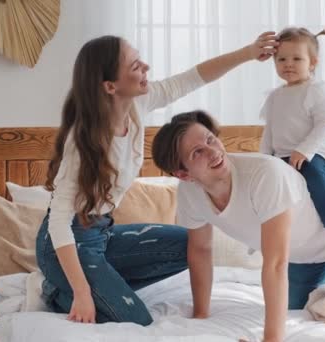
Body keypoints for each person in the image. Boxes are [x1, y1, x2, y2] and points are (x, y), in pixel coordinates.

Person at [35, 33, 279, 326]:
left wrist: (248, 52)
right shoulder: (83, 142)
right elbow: (59, 223)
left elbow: (195, 77)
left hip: (104, 234)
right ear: (111, 86)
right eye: (135, 66)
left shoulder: (139, 104)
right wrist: (82, 292)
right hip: (68, 241)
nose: (146, 67)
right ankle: (55, 288)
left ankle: (102, 280)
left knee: (186, 246)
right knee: (135, 320)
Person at [151, 110, 325, 342]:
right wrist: (201, 315)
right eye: (198, 152)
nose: (213, 152)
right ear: (183, 174)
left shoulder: (264, 174)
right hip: (306, 250)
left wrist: (272, 339)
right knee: (296, 308)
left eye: (210, 139)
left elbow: (274, 263)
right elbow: (200, 250)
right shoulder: (190, 194)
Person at [259, 27, 325, 258]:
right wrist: (264, 159)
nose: (288, 64)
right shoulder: (275, 97)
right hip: (283, 156)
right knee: (264, 188)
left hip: (314, 153)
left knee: (314, 176)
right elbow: (270, 130)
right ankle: (259, 234)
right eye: (282, 59)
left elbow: (324, 127)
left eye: (297, 59)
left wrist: (304, 150)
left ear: (313, 62)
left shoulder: (315, 91)